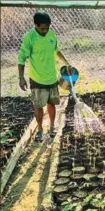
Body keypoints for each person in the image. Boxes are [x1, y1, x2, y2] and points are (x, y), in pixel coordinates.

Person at [18, 11, 72, 141]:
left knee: (52, 104)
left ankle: (52, 127)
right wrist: (21, 77)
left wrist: (67, 63)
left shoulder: (51, 34)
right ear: (35, 25)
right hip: (37, 79)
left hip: (51, 78)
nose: (45, 31)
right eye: (42, 28)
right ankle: (40, 130)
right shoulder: (30, 37)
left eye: (47, 28)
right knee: (38, 106)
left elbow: (56, 50)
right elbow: (21, 58)